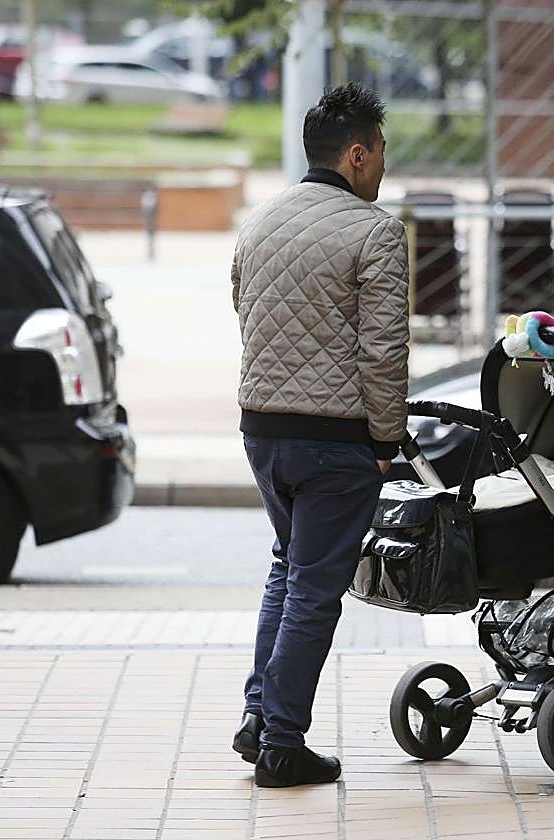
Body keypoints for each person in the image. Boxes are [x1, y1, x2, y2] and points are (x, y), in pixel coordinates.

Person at [229, 83, 408, 787]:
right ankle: (281, 744)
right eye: (382, 153)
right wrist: (387, 439)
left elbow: (244, 312)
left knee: (288, 570)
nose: (384, 168)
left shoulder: (261, 222)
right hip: (336, 441)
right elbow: (383, 349)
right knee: (313, 590)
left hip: (262, 431)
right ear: (357, 154)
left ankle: (259, 718)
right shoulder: (374, 231)